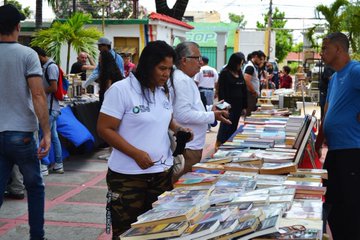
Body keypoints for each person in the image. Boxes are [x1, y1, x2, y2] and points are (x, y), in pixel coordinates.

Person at [97, 40, 193, 239]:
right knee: (127, 232)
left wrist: (178, 129)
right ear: (148, 65)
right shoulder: (121, 90)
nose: (166, 74)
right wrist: (136, 154)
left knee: (158, 229)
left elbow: (164, 118)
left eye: (169, 69)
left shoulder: (161, 90)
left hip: (161, 174)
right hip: (128, 177)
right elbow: (104, 129)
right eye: (162, 68)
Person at [0, 4, 51, 240]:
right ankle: (37, 236)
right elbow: (38, 95)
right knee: (35, 187)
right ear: (18, 27)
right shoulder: (27, 54)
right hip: (21, 132)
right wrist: (47, 133)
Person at [316, 32, 360, 239]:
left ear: (339, 49)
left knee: (351, 208)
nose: (321, 53)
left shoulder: (355, 71)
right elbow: (327, 111)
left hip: (352, 151)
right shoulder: (334, 78)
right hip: (335, 151)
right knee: (333, 202)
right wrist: (318, 140)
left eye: (325, 49)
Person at [172, 41, 231, 174]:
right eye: (197, 58)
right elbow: (182, 114)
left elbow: (191, 109)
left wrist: (211, 109)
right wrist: (211, 115)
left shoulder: (186, 79)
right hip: (188, 147)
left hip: (192, 145)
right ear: (184, 60)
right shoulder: (182, 81)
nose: (201, 62)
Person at [32, 46, 64, 176]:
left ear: (39, 55)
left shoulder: (50, 67)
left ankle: (44, 165)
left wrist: (37, 91)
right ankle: (58, 164)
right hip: (52, 107)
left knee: (42, 136)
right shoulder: (47, 66)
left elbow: (54, 87)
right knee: (53, 137)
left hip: (50, 109)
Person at [216, 52, 248, 147]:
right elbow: (221, 91)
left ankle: (229, 143)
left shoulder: (239, 73)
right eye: (240, 63)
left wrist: (244, 106)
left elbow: (244, 90)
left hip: (238, 104)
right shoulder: (225, 73)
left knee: (234, 125)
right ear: (235, 62)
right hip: (228, 105)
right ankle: (220, 143)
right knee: (226, 125)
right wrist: (223, 106)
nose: (241, 66)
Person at [194, 56, 219, 131]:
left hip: (201, 91)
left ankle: (205, 126)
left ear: (202, 61)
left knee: (203, 108)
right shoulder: (213, 70)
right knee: (210, 108)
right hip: (211, 91)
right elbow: (217, 82)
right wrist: (216, 92)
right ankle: (209, 126)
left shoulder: (200, 70)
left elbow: (196, 81)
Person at [243, 50, 266, 115]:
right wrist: (253, 91)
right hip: (250, 94)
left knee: (252, 112)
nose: (261, 61)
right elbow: (246, 80)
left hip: (252, 94)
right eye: (260, 59)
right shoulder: (250, 67)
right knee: (249, 113)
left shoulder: (253, 66)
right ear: (255, 57)